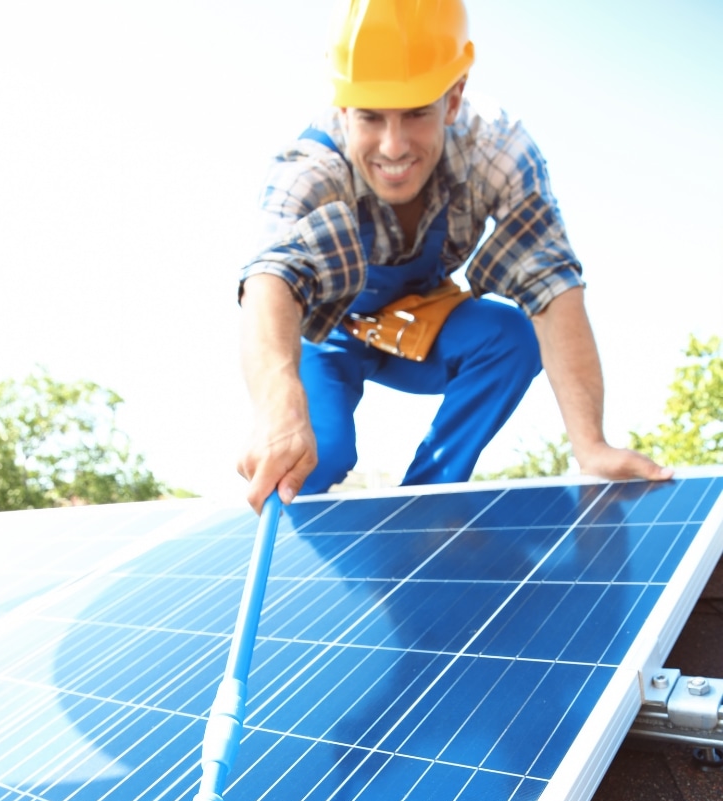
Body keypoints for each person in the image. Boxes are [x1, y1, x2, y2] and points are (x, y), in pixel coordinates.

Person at [237, 0, 671, 513]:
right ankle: (297, 566)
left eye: (417, 113)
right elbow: (271, 280)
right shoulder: (308, 168)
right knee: (316, 453)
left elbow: (551, 287)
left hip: (419, 326)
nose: (393, 147)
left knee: (510, 337)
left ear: (454, 98)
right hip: (329, 336)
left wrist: (591, 445)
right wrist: (278, 405)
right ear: (341, 106)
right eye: (371, 117)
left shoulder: (499, 152)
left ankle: (422, 507)